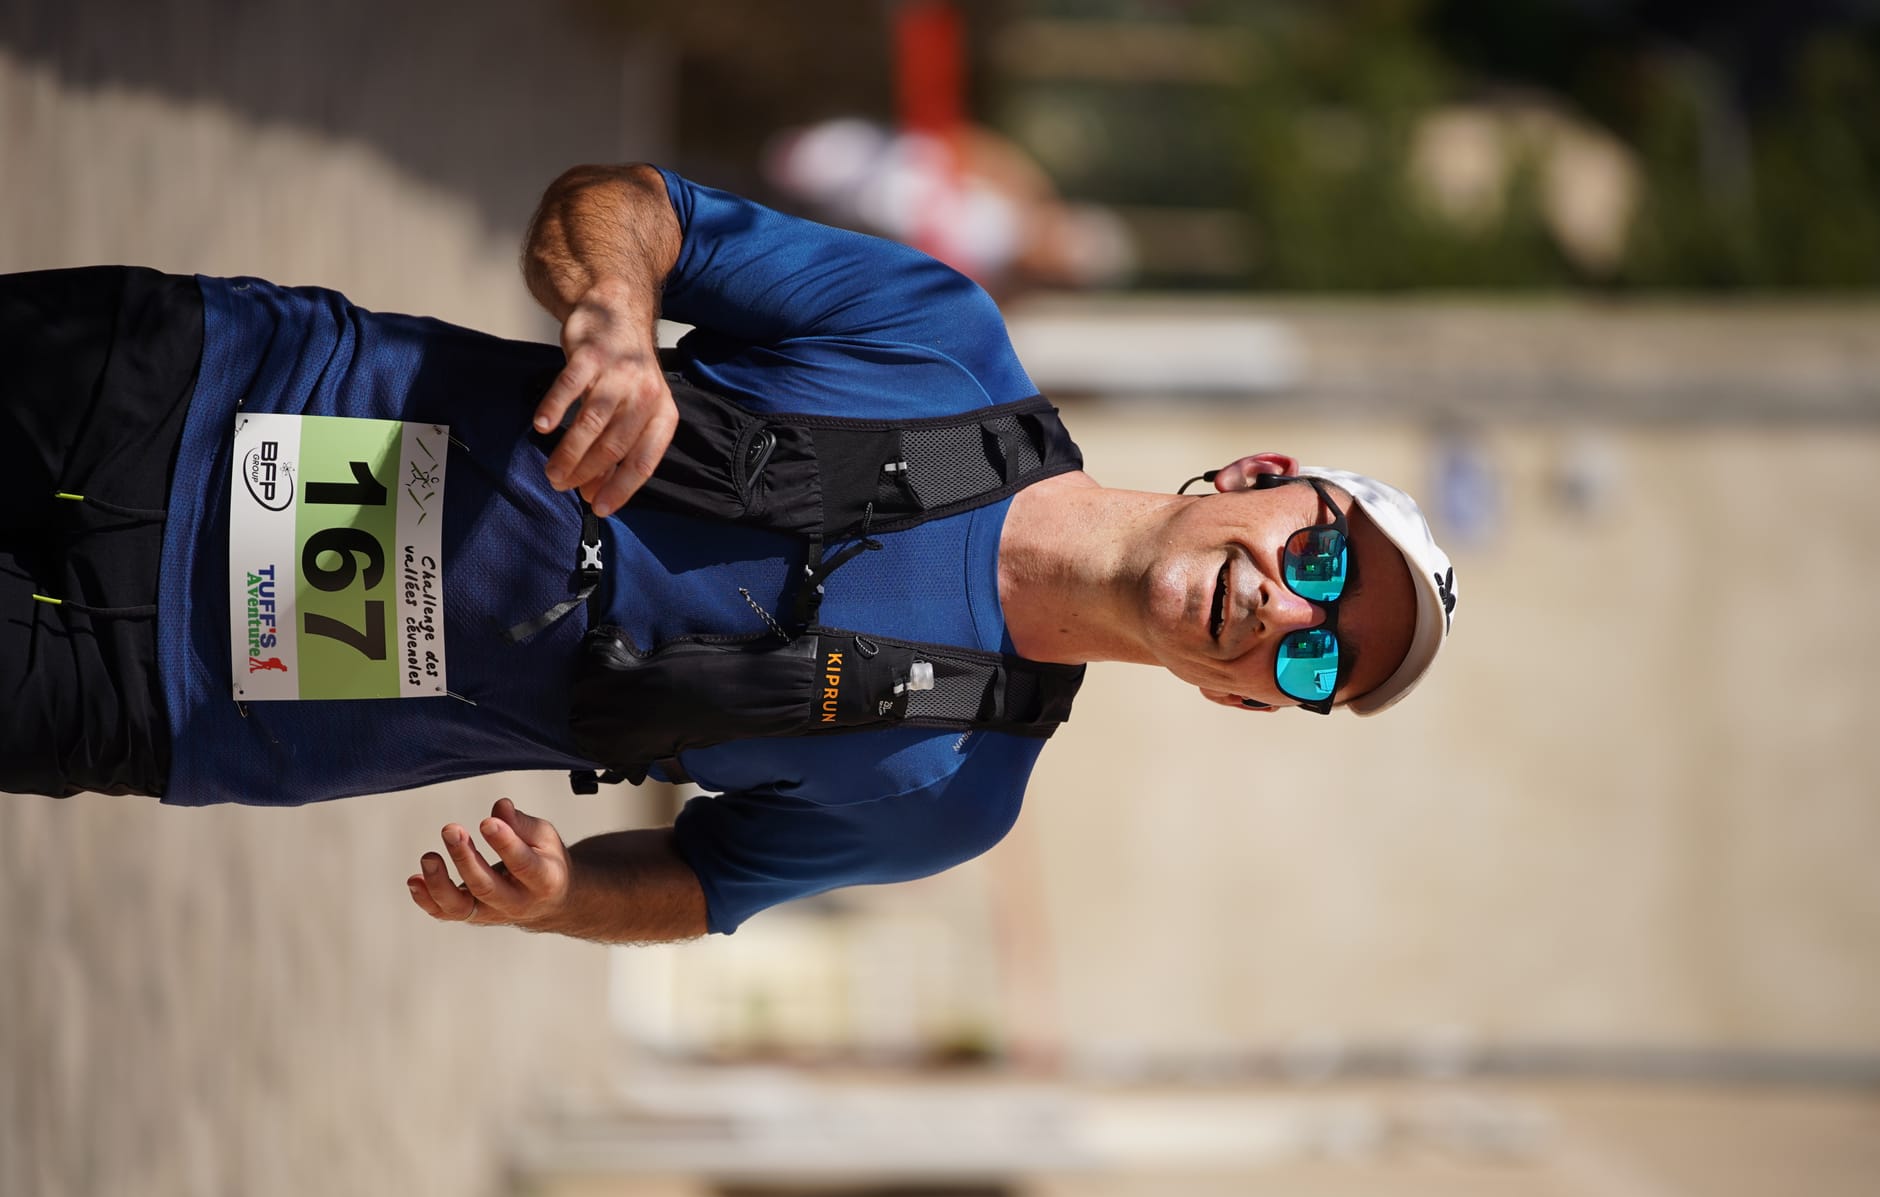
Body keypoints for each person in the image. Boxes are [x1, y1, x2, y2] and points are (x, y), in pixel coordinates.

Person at [0, 164, 1456, 942]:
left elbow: (710, 883)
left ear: (1249, 700)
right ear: (1266, 480)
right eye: (1318, 559)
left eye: (1310, 656)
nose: (1279, 608)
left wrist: (567, 899)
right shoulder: (941, 343)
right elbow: (625, 207)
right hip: (192, 388)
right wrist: (615, 320)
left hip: (177, 699)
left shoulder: (955, 794)